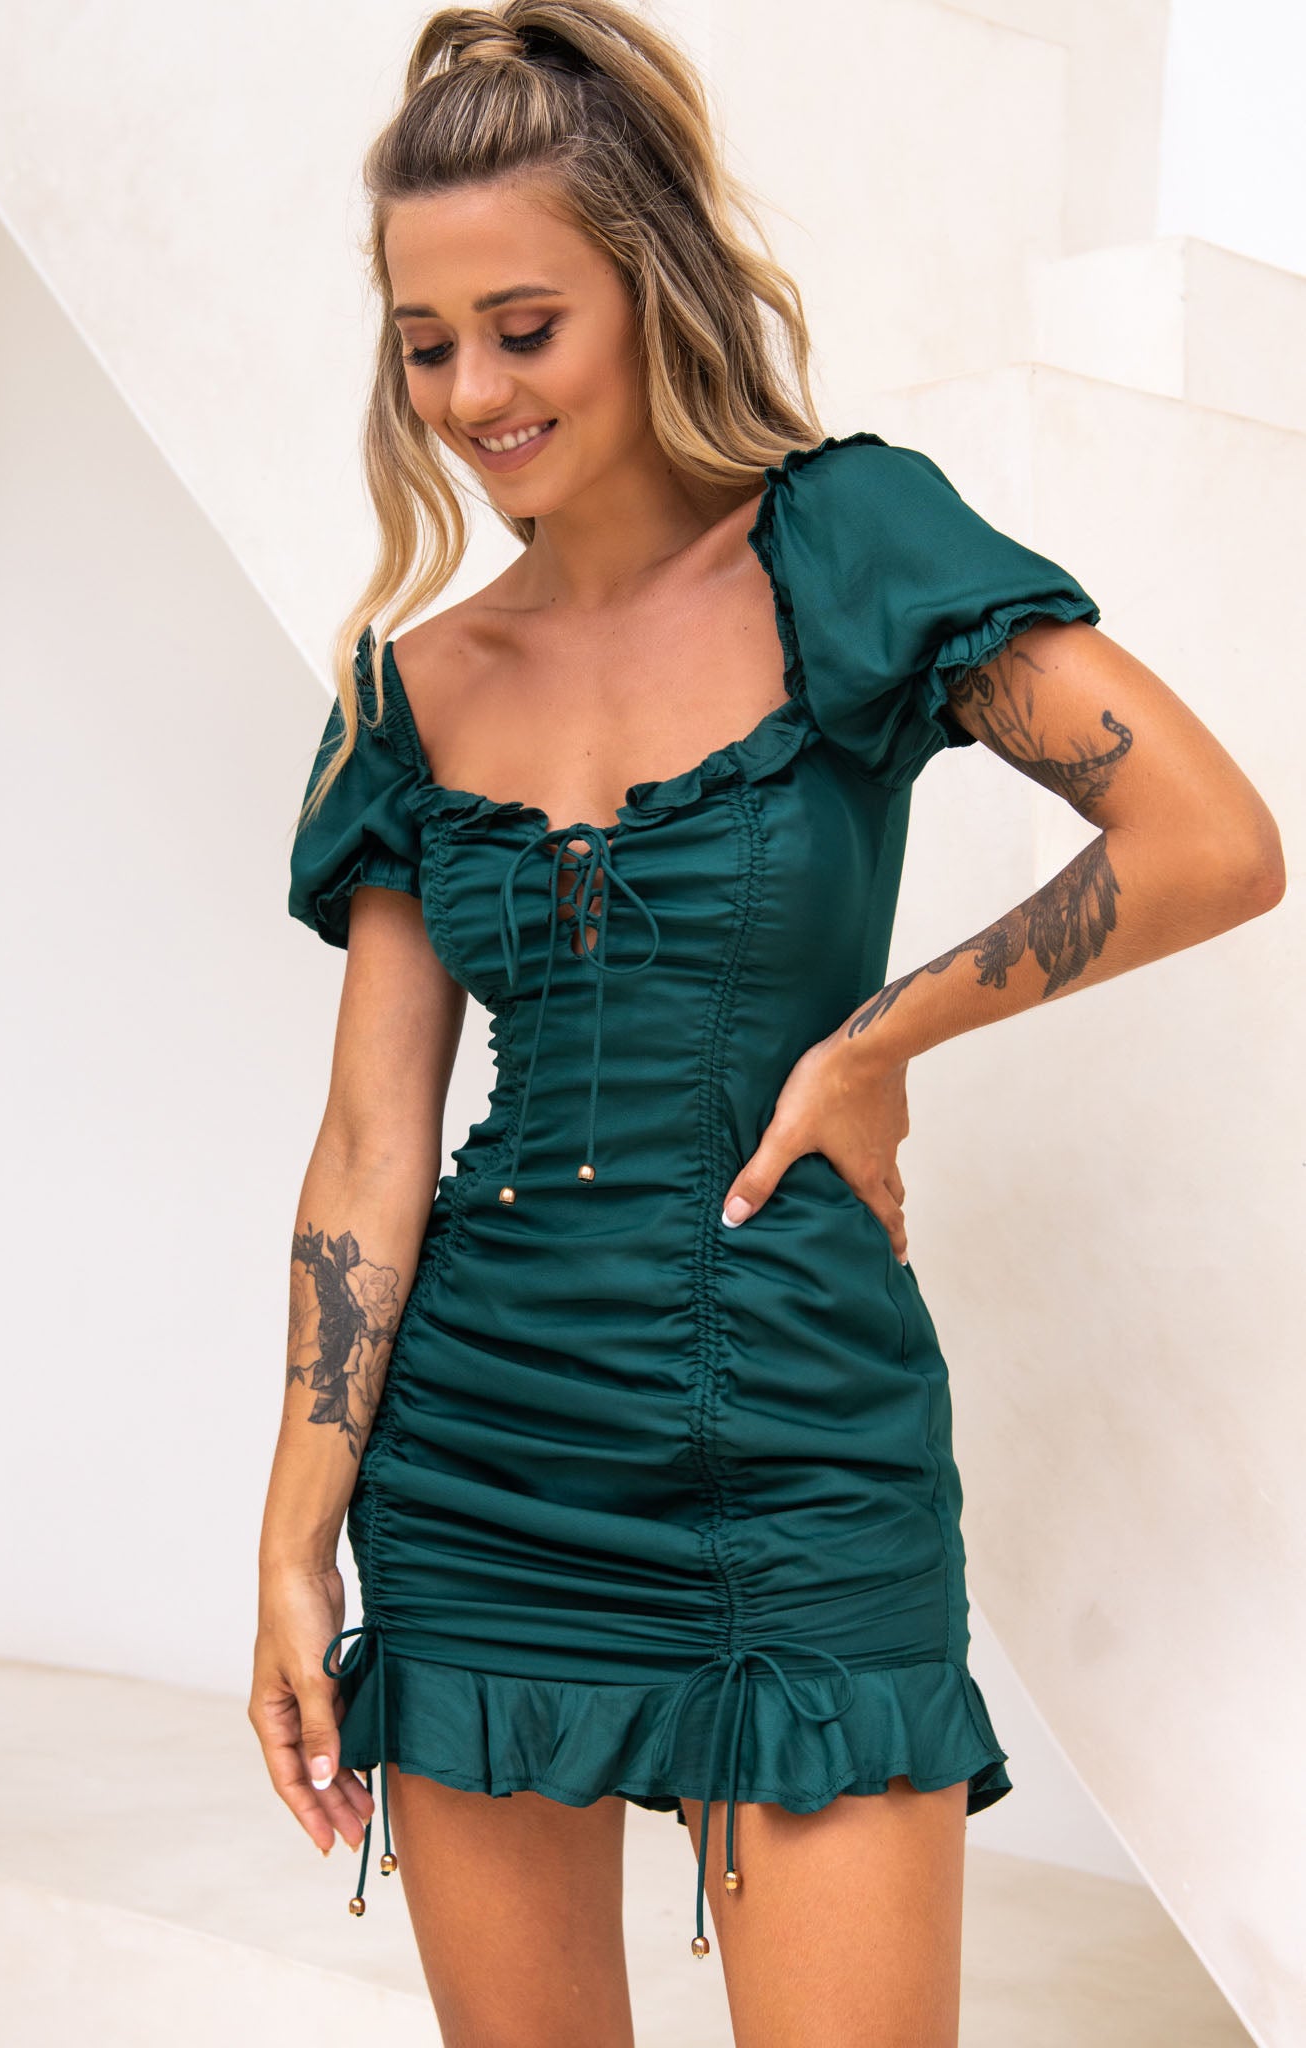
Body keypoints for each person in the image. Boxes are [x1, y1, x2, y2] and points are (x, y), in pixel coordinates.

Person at [248, 4, 1286, 2043]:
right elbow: (371, 1142)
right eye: (426, 345)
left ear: (646, 286)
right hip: (478, 1466)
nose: (473, 393)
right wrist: (294, 1543)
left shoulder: (845, 546)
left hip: (801, 1440)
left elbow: (1208, 835)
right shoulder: (410, 690)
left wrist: (873, 1044)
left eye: (523, 327)